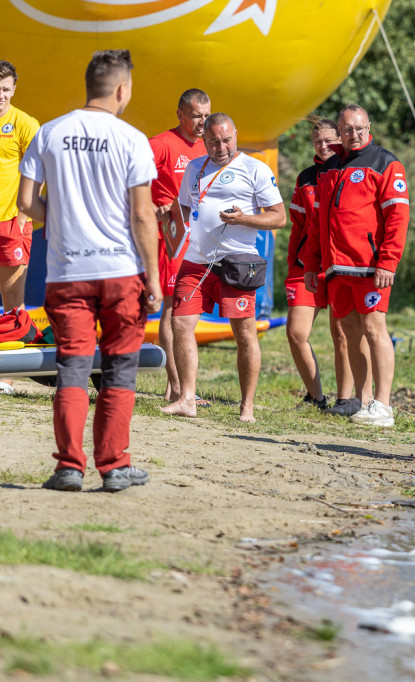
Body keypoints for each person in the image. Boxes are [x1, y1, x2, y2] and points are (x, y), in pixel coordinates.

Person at [17, 49, 161, 492]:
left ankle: (68, 468)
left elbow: (26, 203)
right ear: (122, 89)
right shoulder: (132, 138)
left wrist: (60, 222)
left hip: (67, 271)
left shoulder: (49, 132)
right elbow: (141, 217)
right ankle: (115, 467)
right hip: (121, 271)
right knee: (119, 370)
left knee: (73, 370)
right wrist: (154, 277)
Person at [163, 112, 285, 422]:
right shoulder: (194, 167)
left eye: (227, 140)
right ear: (203, 140)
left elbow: (279, 218)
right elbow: (186, 206)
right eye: (214, 141)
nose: (222, 147)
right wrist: (169, 216)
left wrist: (244, 218)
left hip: (237, 263)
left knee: (244, 334)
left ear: (236, 135)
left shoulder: (255, 168)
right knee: (181, 324)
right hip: (196, 260)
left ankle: (247, 407)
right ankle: (187, 398)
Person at [302, 104, 409, 428]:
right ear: (340, 131)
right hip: (336, 268)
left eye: (360, 129)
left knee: (375, 330)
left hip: (370, 266)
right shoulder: (330, 167)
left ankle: (384, 405)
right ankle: (362, 402)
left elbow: (398, 218)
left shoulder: (385, 162)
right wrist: (312, 263)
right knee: (350, 334)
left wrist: (388, 261)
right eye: (348, 130)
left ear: (369, 126)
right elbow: (319, 222)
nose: (354, 135)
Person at [285, 117, 370, 414]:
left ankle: (345, 400)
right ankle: (316, 396)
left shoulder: (352, 169)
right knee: (296, 332)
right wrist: (295, 261)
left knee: (342, 333)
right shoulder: (306, 177)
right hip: (306, 265)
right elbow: (298, 225)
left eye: (328, 140)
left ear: (341, 139)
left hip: (341, 262)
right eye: (317, 141)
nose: (323, 146)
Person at [149, 88, 211, 403]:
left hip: (201, 240)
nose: (202, 122)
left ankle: (178, 385)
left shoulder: (209, 145)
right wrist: (152, 207)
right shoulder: (161, 144)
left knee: (187, 311)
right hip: (171, 240)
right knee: (173, 310)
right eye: (196, 116)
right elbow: (131, 178)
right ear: (180, 115)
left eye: (206, 116)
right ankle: (176, 386)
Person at [0, 60, 40, 395]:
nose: (0, 95)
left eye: (5, 89)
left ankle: (8, 375)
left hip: (11, 221)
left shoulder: (25, 123)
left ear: (14, 89)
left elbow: (39, 172)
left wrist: (25, 217)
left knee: (13, 302)